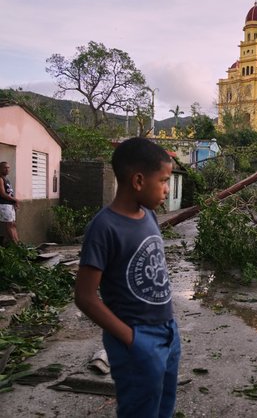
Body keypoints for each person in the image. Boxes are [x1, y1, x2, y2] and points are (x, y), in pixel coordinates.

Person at [75, 138, 181, 417]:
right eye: (164, 180)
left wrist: (169, 325)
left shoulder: (149, 216)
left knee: (163, 404)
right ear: (138, 181)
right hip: (136, 338)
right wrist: (132, 340)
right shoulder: (103, 228)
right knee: (140, 409)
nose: (167, 189)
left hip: (168, 331)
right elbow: (85, 297)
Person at [0, 161, 19, 244]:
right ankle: (16, 245)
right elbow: (3, 194)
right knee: (10, 225)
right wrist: (15, 200)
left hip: (9, 205)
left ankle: (18, 243)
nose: (7, 169)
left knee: (13, 224)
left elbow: (9, 193)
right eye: (5, 168)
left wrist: (14, 202)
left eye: (8, 167)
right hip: (4, 204)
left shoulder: (6, 179)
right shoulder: (0, 178)